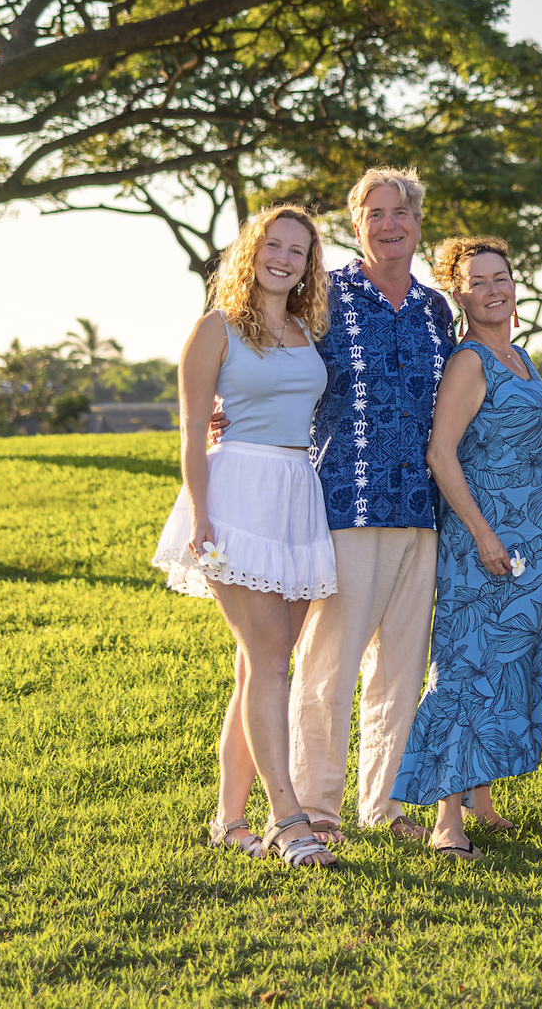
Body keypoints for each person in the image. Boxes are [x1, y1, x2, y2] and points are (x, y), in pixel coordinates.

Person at [149, 204, 341, 868]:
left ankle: (229, 820)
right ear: (252, 251)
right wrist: (202, 515)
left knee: (256, 666)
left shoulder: (304, 330)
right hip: (237, 497)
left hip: (295, 492)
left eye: (299, 250)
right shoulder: (217, 328)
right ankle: (288, 820)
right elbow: (192, 428)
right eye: (274, 245)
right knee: (270, 663)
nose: (285, 258)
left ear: (309, 263)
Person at [286, 167, 456, 846]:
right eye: (375, 213)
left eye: (401, 212)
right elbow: (279, 363)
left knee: (401, 669)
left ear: (417, 223)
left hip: (422, 509)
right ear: (357, 225)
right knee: (328, 665)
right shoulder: (324, 295)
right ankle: (315, 809)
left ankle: (383, 806)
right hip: (346, 503)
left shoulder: (435, 309)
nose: (389, 224)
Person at [390, 235, 542, 860]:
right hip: (483, 545)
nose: (494, 289)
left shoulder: (521, 358)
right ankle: (447, 820)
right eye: (478, 281)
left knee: (505, 670)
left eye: (503, 277)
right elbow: (442, 454)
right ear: (459, 293)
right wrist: (486, 536)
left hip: (530, 548)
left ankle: (481, 797)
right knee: (467, 671)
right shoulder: (470, 362)